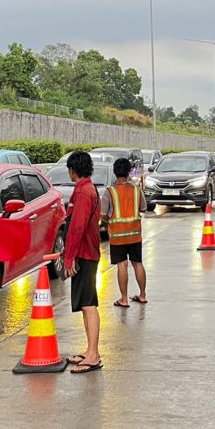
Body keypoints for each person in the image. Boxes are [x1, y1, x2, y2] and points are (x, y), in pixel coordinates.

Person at [63, 150, 103, 374]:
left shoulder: (83, 192)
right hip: (87, 252)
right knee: (86, 304)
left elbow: (77, 227)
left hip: (85, 254)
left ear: (72, 170)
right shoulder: (87, 189)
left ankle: (93, 355)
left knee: (88, 304)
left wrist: (69, 257)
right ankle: (89, 350)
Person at [102, 156, 148, 308]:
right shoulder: (136, 190)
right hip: (135, 234)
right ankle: (142, 295)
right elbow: (143, 208)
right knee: (138, 263)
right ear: (129, 172)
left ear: (114, 172)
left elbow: (103, 214)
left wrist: (109, 221)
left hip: (117, 236)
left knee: (122, 265)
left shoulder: (109, 192)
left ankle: (124, 299)